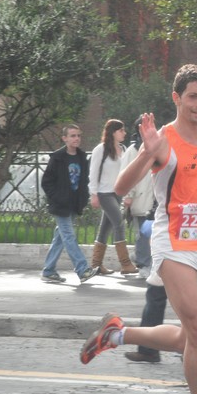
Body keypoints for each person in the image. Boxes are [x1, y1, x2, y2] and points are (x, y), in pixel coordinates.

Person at [80, 64, 197, 394]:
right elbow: (120, 186)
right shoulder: (163, 139)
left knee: (193, 338)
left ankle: (117, 334)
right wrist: (148, 153)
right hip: (172, 243)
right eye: (193, 97)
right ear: (176, 98)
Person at [40, 124, 99, 284]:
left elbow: (84, 179)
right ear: (64, 138)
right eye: (72, 136)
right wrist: (57, 197)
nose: (76, 139)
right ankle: (82, 269)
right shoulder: (57, 158)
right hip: (61, 204)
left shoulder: (81, 157)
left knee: (60, 237)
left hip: (74, 203)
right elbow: (46, 182)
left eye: (78, 135)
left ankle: (48, 270)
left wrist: (83, 197)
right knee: (68, 235)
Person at [88, 119, 138, 276]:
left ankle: (96, 265)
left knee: (105, 228)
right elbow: (93, 172)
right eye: (121, 130)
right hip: (104, 193)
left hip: (117, 193)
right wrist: (93, 194)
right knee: (119, 223)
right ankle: (125, 264)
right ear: (113, 132)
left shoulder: (123, 148)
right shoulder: (100, 149)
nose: (124, 133)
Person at [121, 117, 155, 279]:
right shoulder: (133, 150)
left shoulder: (157, 146)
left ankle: (141, 257)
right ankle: (143, 263)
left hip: (155, 198)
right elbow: (127, 175)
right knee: (143, 233)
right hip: (140, 197)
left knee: (151, 232)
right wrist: (128, 196)